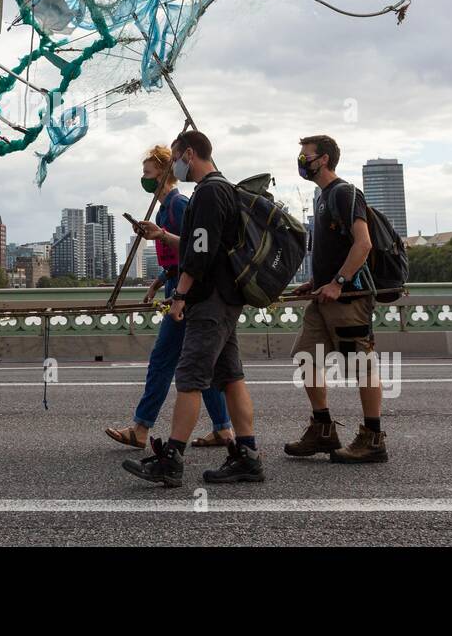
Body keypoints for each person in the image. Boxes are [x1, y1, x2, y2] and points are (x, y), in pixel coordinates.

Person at [122, 131, 263, 487]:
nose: (176, 166)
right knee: (230, 377)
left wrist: (180, 295)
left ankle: (171, 460)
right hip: (227, 296)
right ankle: (247, 456)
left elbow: (199, 254)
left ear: (189, 154)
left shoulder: (206, 192)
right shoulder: (223, 189)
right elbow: (202, 242)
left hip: (208, 298)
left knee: (189, 379)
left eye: (176, 159)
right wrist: (164, 236)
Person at [105, 145, 234, 451]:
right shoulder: (164, 209)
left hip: (186, 291)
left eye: (148, 172)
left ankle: (141, 427)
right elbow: (174, 260)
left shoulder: (179, 204)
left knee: (164, 361)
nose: (144, 178)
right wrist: (157, 283)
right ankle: (224, 430)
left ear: (164, 172)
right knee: (203, 365)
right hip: (176, 285)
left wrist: (175, 285)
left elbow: (193, 250)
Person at [285, 134, 387, 463]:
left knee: (359, 365)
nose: (301, 161)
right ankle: (323, 429)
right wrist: (316, 282)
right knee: (307, 358)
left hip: (349, 298)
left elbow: (363, 244)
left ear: (324, 159)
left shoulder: (345, 193)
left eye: (306, 156)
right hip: (324, 296)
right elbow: (334, 248)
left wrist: (339, 282)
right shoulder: (321, 196)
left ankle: (373, 438)